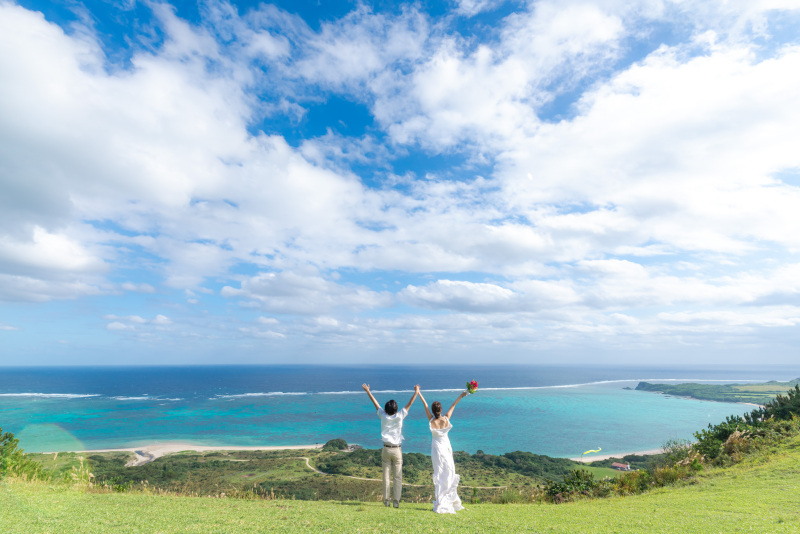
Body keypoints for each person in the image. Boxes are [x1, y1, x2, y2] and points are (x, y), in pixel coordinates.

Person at [362, 383, 420, 508]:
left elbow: (375, 403)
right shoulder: (400, 416)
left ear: (386, 409)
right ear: (396, 409)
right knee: (397, 477)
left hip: (386, 449)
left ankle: (386, 502)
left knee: (386, 477)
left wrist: (368, 391)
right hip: (397, 449)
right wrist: (416, 392)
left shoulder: (383, 416)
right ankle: (396, 502)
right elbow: (409, 404)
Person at [418, 389, 468, 514]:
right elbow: (453, 405)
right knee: (449, 472)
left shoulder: (431, 421)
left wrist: (418, 392)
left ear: (433, 411)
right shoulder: (446, 419)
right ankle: (450, 499)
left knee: (439, 473)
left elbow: (424, 405)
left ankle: (441, 500)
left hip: (436, 449)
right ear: (440, 410)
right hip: (446, 447)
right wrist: (462, 395)